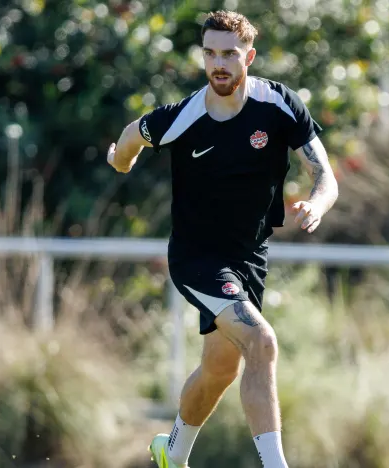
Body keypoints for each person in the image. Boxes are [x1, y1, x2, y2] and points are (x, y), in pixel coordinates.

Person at [107, 10, 338, 468]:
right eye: (210, 52)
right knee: (261, 341)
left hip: (249, 256)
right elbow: (131, 138)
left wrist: (317, 204)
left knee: (221, 369)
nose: (219, 63)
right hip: (197, 257)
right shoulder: (182, 117)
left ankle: (172, 452)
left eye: (229, 54)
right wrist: (120, 162)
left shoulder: (280, 105)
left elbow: (325, 176)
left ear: (248, 58)